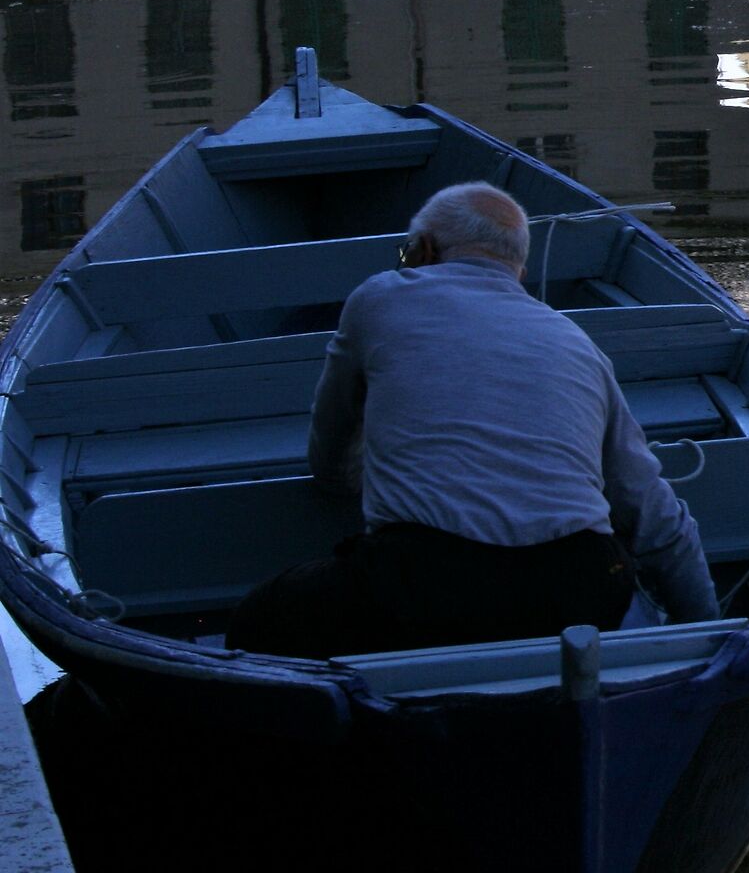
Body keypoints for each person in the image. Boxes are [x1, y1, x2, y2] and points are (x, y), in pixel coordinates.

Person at [224, 184, 717, 659]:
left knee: (256, 621)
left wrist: (347, 484)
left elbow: (329, 456)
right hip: (579, 589)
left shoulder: (380, 298)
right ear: (517, 270)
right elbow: (653, 512)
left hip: (421, 586)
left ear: (422, 249)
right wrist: (710, 639)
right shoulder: (575, 341)